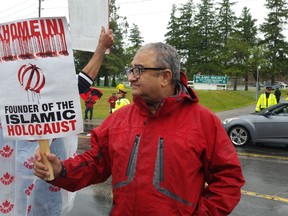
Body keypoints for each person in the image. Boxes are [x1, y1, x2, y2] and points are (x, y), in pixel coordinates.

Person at [34, 42, 245, 215]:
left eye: (139, 70)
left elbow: (228, 180)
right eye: (131, 69)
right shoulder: (119, 120)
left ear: (165, 76)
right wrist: (61, 169)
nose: (131, 77)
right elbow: (95, 163)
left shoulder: (203, 121)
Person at [0, 27, 114, 216]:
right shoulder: (14, 89)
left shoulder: (46, 89)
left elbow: (81, 83)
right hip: (23, 173)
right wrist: (100, 49)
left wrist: (101, 48)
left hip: (41, 171)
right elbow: (83, 82)